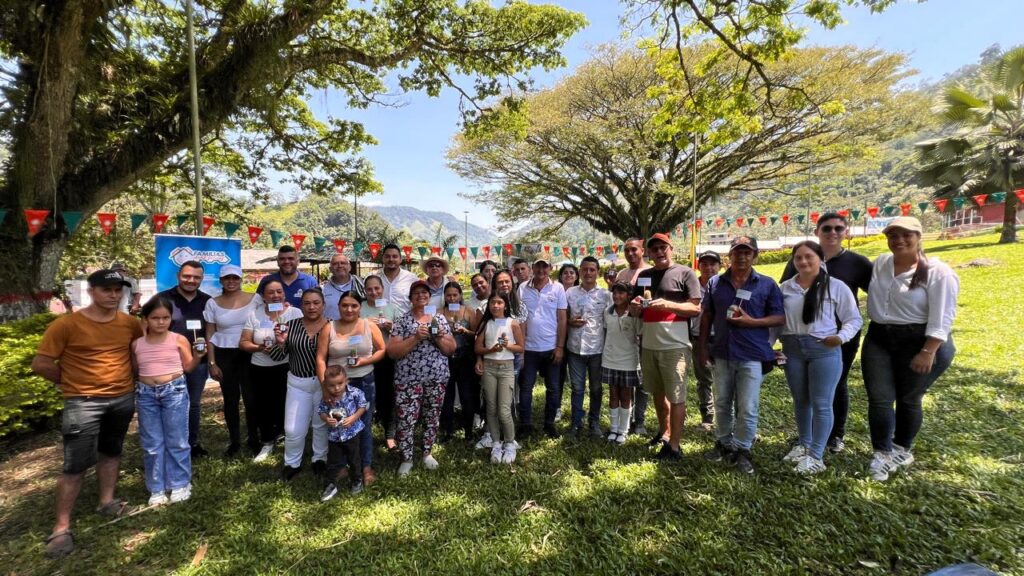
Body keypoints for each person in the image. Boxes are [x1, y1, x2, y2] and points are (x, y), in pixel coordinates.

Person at [32, 269, 143, 558]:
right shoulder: (66, 325)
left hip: (121, 398)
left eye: (118, 290)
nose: (114, 295)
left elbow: (134, 354)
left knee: (112, 451)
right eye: (107, 289)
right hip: (83, 402)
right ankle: (61, 528)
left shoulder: (130, 323)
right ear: (91, 290)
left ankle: (107, 501)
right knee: (75, 464)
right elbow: (41, 363)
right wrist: (68, 382)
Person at [862, 216, 958, 481]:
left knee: (908, 397)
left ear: (919, 237)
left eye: (907, 235)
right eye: (893, 235)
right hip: (880, 338)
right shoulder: (881, 263)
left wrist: (929, 351)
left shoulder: (938, 272)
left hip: (919, 341)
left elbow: (943, 317)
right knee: (879, 398)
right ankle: (881, 452)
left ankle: (902, 447)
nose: (900, 240)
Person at [780, 212, 872, 453]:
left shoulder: (845, 276)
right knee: (802, 400)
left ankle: (826, 444)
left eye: (838, 229)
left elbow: (860, 312)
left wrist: (840, 337)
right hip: (794, 347)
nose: (803, 262)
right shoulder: (788, 284)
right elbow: (780, 315)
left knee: (827, 395)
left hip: (830, 344)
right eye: (798, 258)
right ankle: (805, 441)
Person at [699, 236, 785, 474]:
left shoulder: (766, 284)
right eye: (737, 252)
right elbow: (706, 316)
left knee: (747, 405)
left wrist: (752, 322)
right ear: (730, 255)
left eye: (747, 252)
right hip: (722, 352)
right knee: (722, 402)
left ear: (755, 255)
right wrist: (703, 347)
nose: (742, 256)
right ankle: (724, 442)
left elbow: (779, 317)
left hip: (752, 354)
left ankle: (742, 448)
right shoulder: (715, 283)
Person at [627, 234, 702, 461]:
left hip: (675, 345)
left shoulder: (685, 273)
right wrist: (635, 307)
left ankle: (675, 446)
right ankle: (664, 433)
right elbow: (635, 308)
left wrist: (669, 304)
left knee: (676, 395)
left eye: (663, 247)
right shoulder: (645, 276)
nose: (659, 252)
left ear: (671, 249)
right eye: (654, 249)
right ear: (648, 253)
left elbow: (696, 308)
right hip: (649, 344)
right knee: (658, 394)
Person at [132, 296, 206, 505]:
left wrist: (199, 356)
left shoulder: (178, 339)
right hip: (146, 394)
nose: (161, 322)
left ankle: (180, 483)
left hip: (174, 391)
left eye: (165, 318)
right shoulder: (137, 344)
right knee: (152, 443)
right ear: (145, 319)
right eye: (155, 318)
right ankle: (156, 487)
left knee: (177, 439)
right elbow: (136, 370)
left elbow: (189, 367)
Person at [388, 281, 457, 476]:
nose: (421, 295)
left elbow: (451, 349)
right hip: (407, 379)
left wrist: (437, 337)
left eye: (424, 292)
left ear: (429, 297)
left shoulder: (439, 320)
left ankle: (427, 453)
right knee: (406, 419)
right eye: (416, 293)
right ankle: (407, 458)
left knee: (432, 416)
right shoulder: (402, 321)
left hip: (436, 377)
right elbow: (392, 352)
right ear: (410, 299)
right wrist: (416, 337)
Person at [317, 290, 386, 485]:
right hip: (336, 388)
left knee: (362, 425)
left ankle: (365, 466)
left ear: (360, 307)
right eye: (345, 305)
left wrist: (365, 360)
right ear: (338, 306)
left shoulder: (368, 325)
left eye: (354, 305)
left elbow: (382, 350)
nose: (349, 309)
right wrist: (324, 386)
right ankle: (341, 466)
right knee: (338, 424)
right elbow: (321, 358)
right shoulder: (328, 328)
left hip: (364, 382)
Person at [155, 260, 212, 458]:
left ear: (202, 279)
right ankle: (169, 444)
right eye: (187, 276)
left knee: (193, 403)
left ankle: (191, 443)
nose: (191, 280)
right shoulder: (162, 299)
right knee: (169, 403)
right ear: (179, 275)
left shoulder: (208, 301)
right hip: (168, 363)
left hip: (198, 363)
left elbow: (213, 332)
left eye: (196, 277)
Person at [239, 280, 301, 462]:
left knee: (286, 404)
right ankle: (267, 441)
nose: (275, 295)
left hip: (287, 367)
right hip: (260, 367)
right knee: (263, 405)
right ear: (263, 297)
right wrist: (259, 347)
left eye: (279, 291)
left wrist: (284, 342)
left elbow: (303, 337)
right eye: (270, 293)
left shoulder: (294, 313)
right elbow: (243, 343)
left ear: (284, 294)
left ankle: (286, 437)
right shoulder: (255, 315)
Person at [203, 265, 257, 457]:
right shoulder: (213, 303)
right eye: (227, 278)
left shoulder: (254, 299)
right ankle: (234, 441)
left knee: (251, 399)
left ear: (241, 279)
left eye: (235, 278)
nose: (231, 281)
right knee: (230, 399)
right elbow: (210, 333)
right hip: (224, 353)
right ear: (221, 281)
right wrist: (212, 362)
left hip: (249, 352)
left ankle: (254, 439)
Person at [276, 288, 329, 481]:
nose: (312, 307)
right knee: (292, 428)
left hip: (324, 383)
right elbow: (277, 355)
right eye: (307, 303)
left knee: (321, 424)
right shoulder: (291, 325)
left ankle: (320, 460)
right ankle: (292, 463)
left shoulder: (331, 326)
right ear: (301, 305)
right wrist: (280, 343)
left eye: (316, 302)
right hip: (298, 382)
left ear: (323, 304)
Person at [473, 269, 529, 450]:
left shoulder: (518, 308)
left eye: (507, 281)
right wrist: (481, 358)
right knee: (490, 403)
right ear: (494, 285)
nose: (504, 285)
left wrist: (515, 352)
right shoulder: (485, 311)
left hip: (510, 361)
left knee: (506, 402)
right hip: (490, 363)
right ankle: (491, 436)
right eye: (500, 282)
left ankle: (509, 439)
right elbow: (479, 339)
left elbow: (521, 339)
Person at [519, 258, 568, 438]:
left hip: (550, 347)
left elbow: (562, 319)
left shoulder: (558, 288)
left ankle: (549, 423)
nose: (541, 269)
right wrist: (521, 348)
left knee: (553, 388)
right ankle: (525, 424)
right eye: (538, 265)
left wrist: (560, 347)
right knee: (526, 388)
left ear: (550, 268)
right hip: (529, 348)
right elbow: (521, 318)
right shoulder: (523, 288)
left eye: (544, 266)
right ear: (532, 268)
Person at [565, 256, 610, 438]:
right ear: (579, 272)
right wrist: (569, 322)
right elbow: (562, 318)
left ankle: (594, 422)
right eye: (584, 269)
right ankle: (576, 423)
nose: (588, 273)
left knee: (596, 388)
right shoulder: (570, 293)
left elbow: (611, 321)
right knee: (577, 388)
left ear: (597, 272)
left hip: (597, 348)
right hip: (575, 348)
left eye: (592, 270)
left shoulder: (606, 295)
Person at [615, 237, 653, 436]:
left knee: (643, 380)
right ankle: (626, 419)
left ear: (642, 250)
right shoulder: (622, 273)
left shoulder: (650, 272)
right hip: (624, 333)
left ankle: (640, 420)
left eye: (634, 250)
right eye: (627, 250)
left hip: (645, 330)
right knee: (627, 377)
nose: (630, 253)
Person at [318, 366, 369, 501]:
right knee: (333, 461)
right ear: (326, 385)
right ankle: (330, 485)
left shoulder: (355, 393)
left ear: (346, 380)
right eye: (332, 385)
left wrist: (353, 418)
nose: (336, 388)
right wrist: (326, 419)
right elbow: (321, 411)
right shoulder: (327, 398)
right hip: (334, 436)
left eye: (340, 383)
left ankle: (357, 480)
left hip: (352, 434)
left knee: (354, 459)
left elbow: (363, 406)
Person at [361, 275, 400, 451]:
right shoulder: (359, 308)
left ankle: (390, 434)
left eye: (377, 288)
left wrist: (391, 327)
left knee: (388, 396)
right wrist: (365, 323)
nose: (374, 292)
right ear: (365, 291)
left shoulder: (391, 308)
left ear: (382, 289)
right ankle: (363, 432)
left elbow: (401, 332)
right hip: (365, 358)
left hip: (387, 357)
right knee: (366, 396)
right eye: (369, 289)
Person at [440, 282, 480, 442]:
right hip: (446, 358)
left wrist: (466, 331)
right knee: (447, 396)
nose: (452, 298)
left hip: (465, 358)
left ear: (460, 295)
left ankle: (468, 431)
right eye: (448, 295)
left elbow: (477, 335)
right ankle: (448, 431)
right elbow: (433, 333)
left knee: (467, 395)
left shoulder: (469, 312)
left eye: (454, 295)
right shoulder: (439, 312)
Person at [602, 282, 641, 444]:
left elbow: (640, 333)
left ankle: (623, 431)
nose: (617, 296)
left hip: (629, 360)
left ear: (629, 295)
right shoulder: (607, 312)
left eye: (621, 293)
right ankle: (613, 428)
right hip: (610, 358)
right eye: (615, 293)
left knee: (626, 395)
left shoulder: (634, 314)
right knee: (613, 394)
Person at [691, 251, 722, 431]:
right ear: (699, 266)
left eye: (713, 264)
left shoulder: (724, 286)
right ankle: (708, 418)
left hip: (720, 338)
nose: (709, 268)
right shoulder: (692, 285)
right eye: (704, 264)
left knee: (724, 379)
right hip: (697, 338)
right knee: (703, 380)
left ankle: (726, 417)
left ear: (719, 266)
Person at [378, 244, 419, 315]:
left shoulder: (412, 278)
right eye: (387, 256)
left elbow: (419, 300)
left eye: (395, 256)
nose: (391, 259)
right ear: (383, 259)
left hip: (405, 324)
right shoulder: (374, 277)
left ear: (400, 259)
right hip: (379, 322)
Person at [322, 253, 366, 320]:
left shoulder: (361, 285)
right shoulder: (322, 289)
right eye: (335, 264)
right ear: (330, 269)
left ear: (349, 267)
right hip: (330, 328)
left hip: (356, 328)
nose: (340, 266)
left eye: (343, 263)